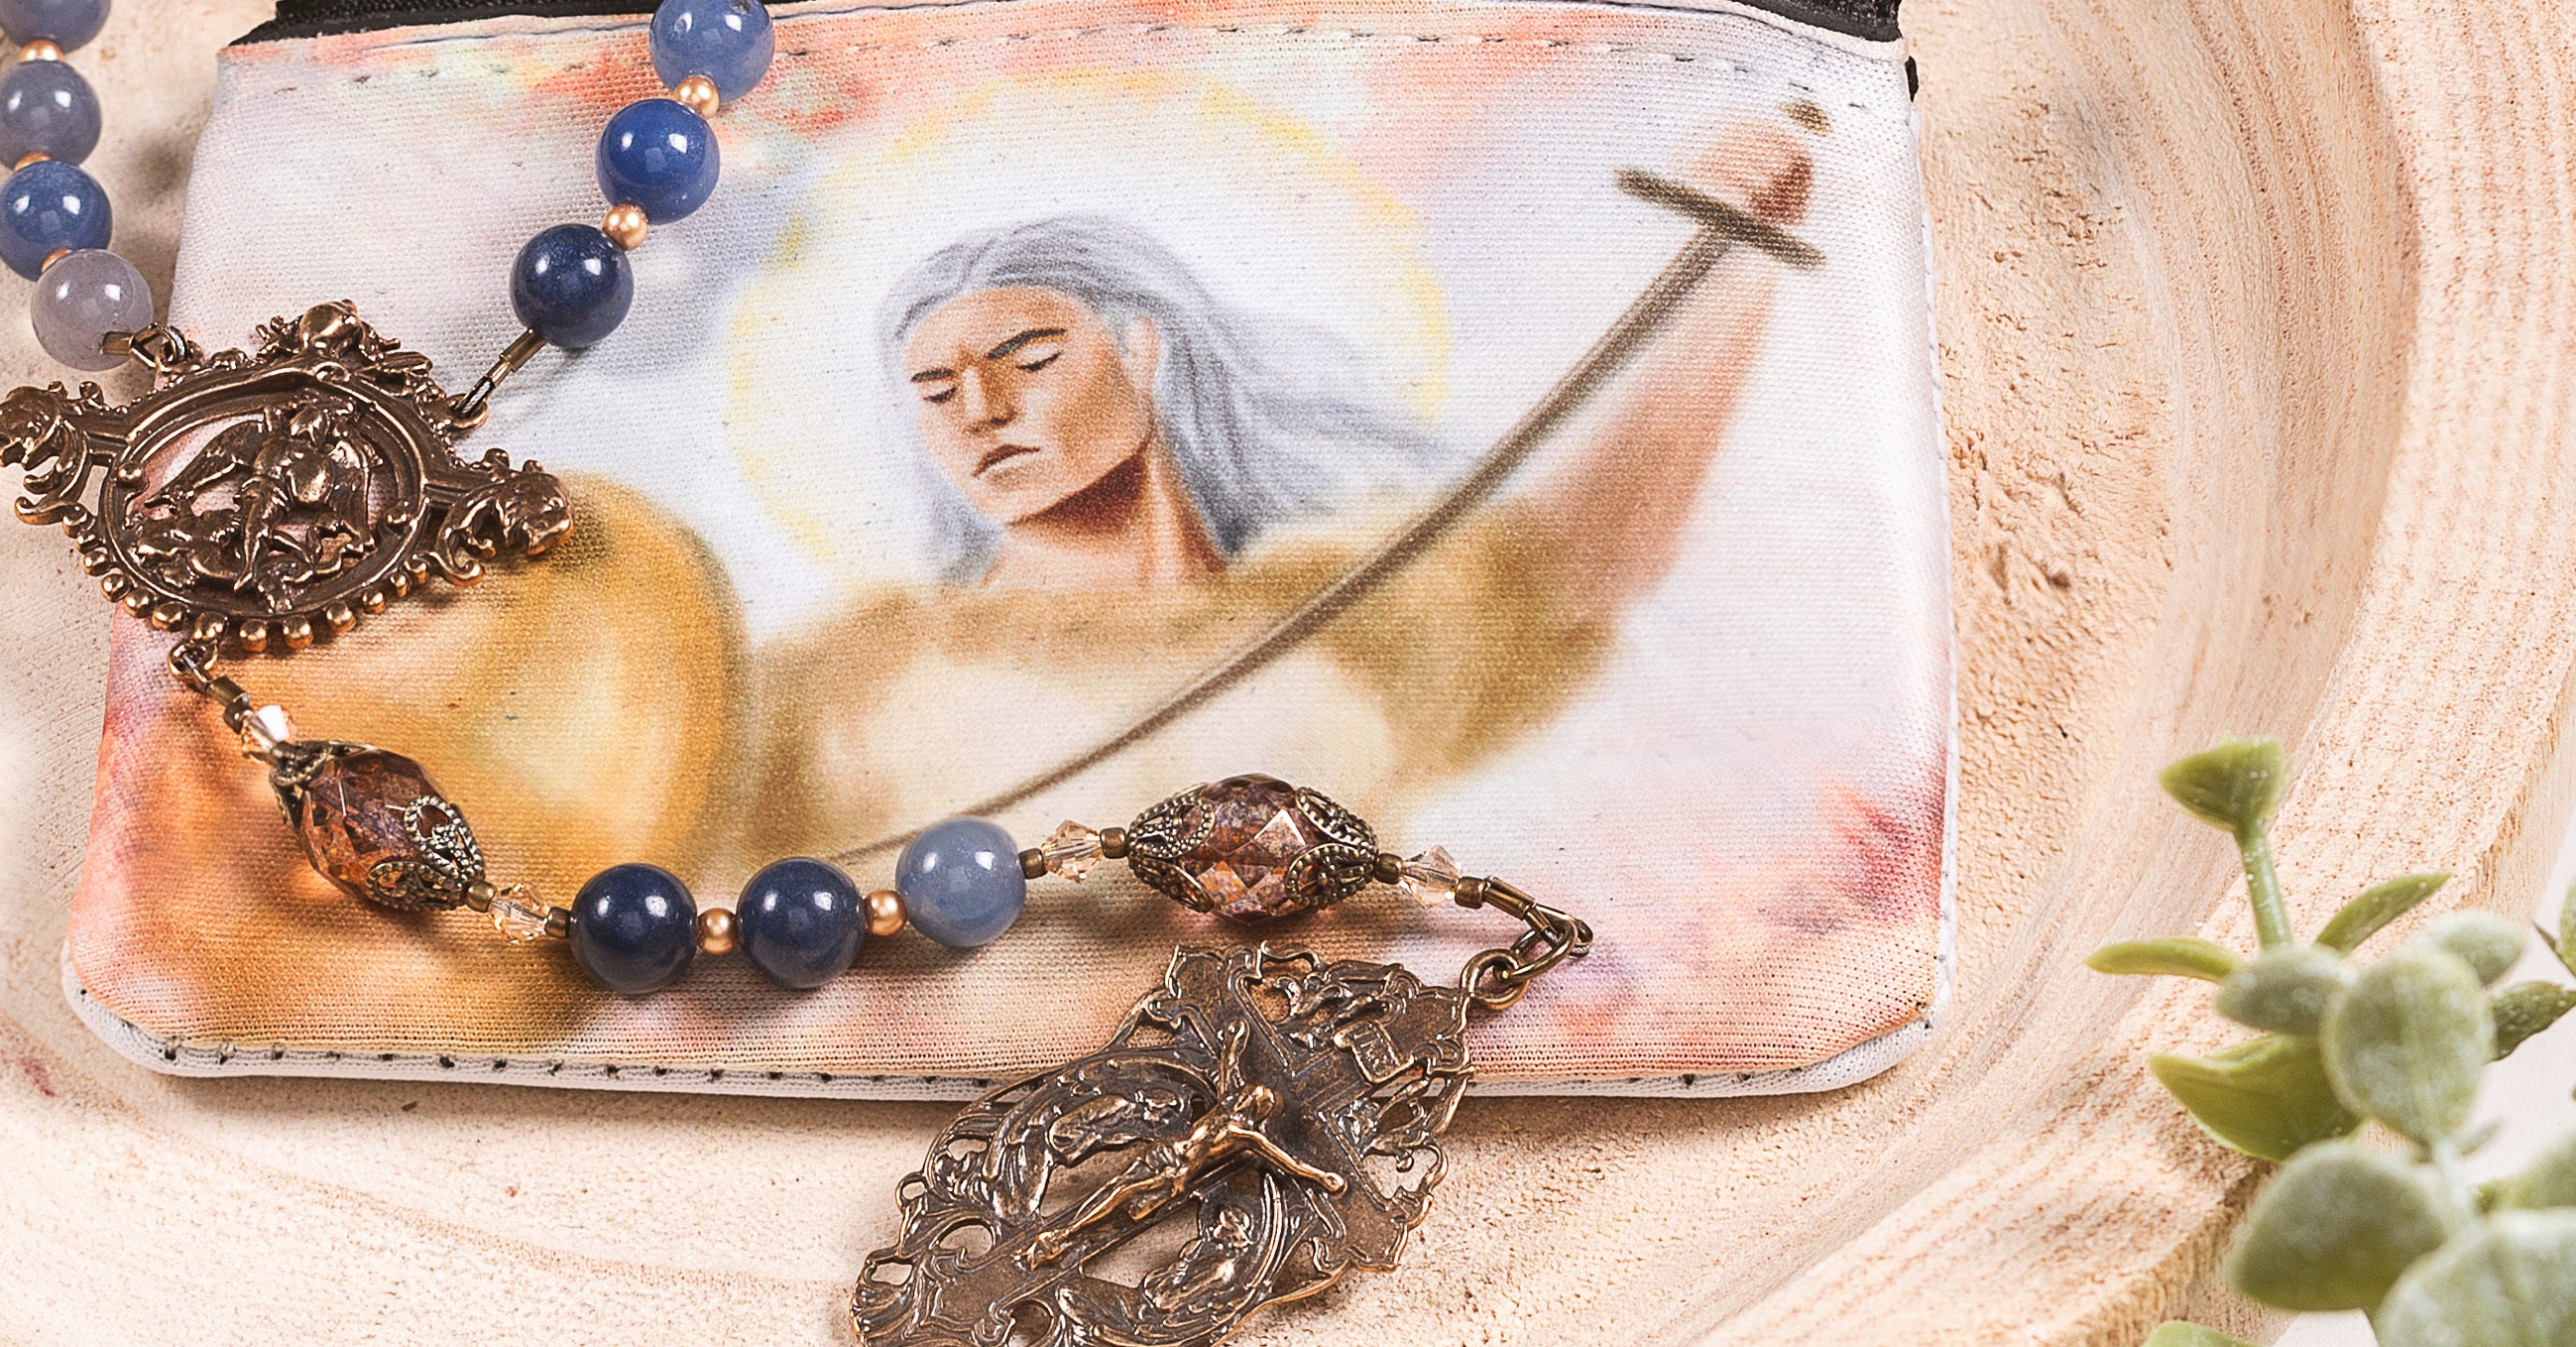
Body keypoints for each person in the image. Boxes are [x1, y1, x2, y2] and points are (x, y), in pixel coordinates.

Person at [727, 114, 1815, 871]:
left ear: (1144, 351)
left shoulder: (1345, 607)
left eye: (1031, 356)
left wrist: (1735, 263)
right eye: (934, 391)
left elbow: (1587, 558)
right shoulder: (849, 670)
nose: (980, 406)